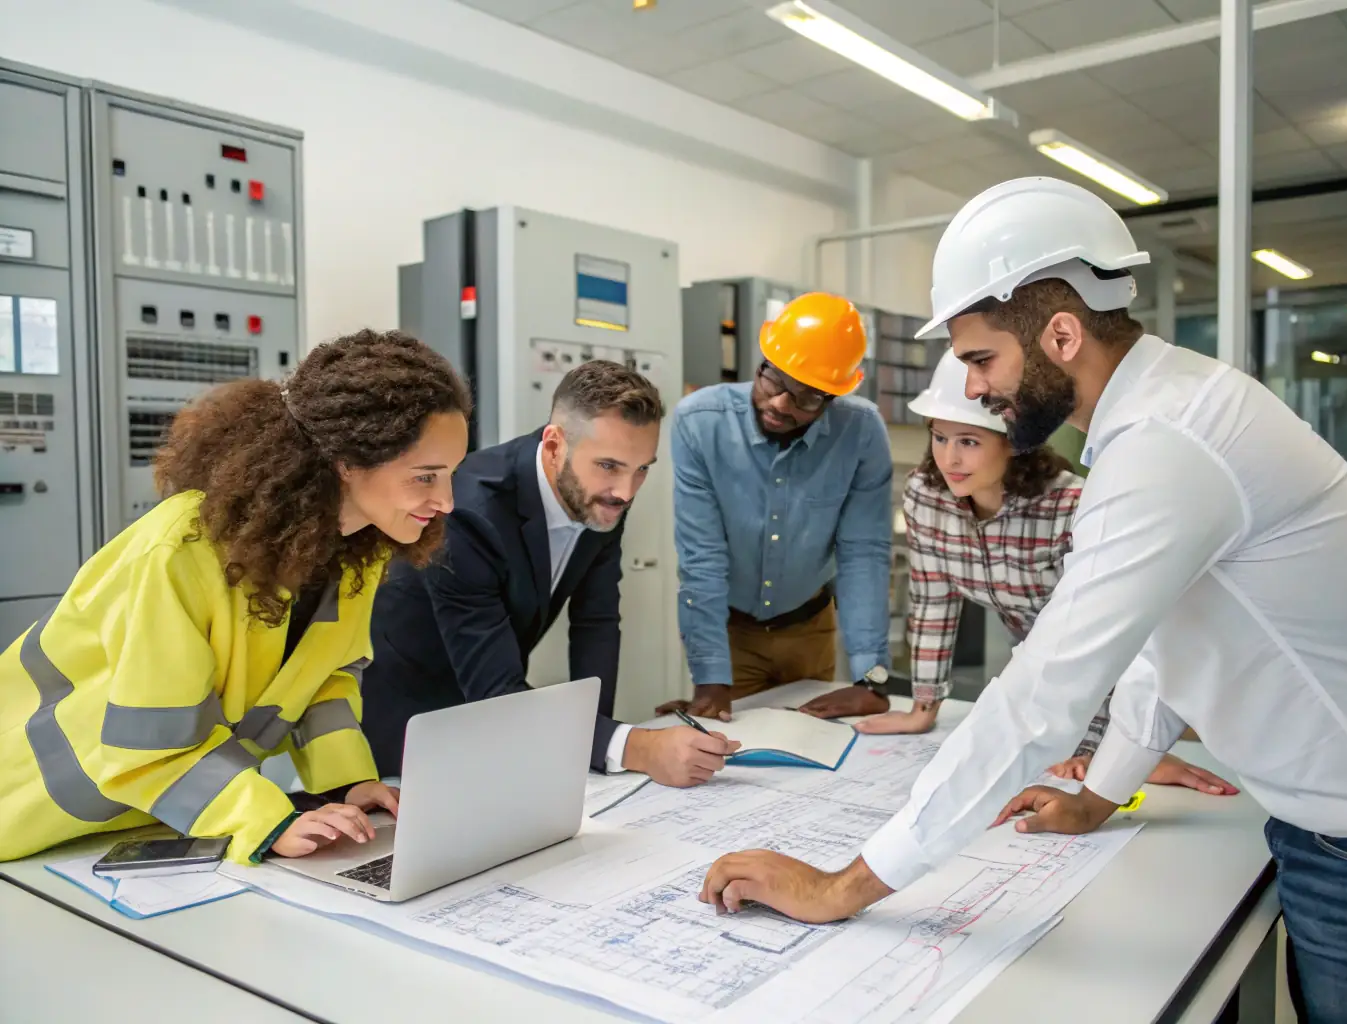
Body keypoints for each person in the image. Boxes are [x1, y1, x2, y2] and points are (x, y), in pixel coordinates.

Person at [698, 177, 1347, 1024]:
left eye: (981, 359)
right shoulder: (1173, 413)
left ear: (1060, 334)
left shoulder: (1164, 445)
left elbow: (1044, 694)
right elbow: (1167, 645)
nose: (972, 388)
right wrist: (1098, 796)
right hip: (1325, 827)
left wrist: (843, 886)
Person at [0, 329, 472, 865]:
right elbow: (149, 746)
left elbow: (322, 685)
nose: (447, 501)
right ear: (347, 461)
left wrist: (347, 784)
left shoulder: (354, 551)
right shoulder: (181, 550)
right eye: (425, 477)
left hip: (154, 818)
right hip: (29, 816)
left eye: (450, 475)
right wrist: (263, 820)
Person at [803, 350, 1235, 795]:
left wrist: (1106, 747)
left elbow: (1108, 636)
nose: (949, 458)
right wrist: (923, 708)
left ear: (1012, 441)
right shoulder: (926, 497)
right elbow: (934, 604)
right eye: (940, 437)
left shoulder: (1073, 507)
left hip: (1162, 674)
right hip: (1059, 683)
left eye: (969, 442)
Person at [361, 360, 738, 788]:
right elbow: (496, 694)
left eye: (642, 469)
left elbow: (596, 621)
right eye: (609, 466)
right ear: (555, 445)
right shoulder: (468, 513)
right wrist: (632, 746)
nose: (626, 491)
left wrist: (597, 746)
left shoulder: (601, 495)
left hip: (500, 713)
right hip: (410, 717)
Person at [657, 292, 893, 724]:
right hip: (732, 633)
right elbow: (701, 557)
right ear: (762, 361)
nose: (781, 404)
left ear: (832, 397)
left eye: (807, 397)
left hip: (810, 629)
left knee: (810, 748)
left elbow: (863, 553)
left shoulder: (860, 432)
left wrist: (870, 677)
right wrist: (710, 676)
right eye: (774, 380)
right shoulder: (700, 423)